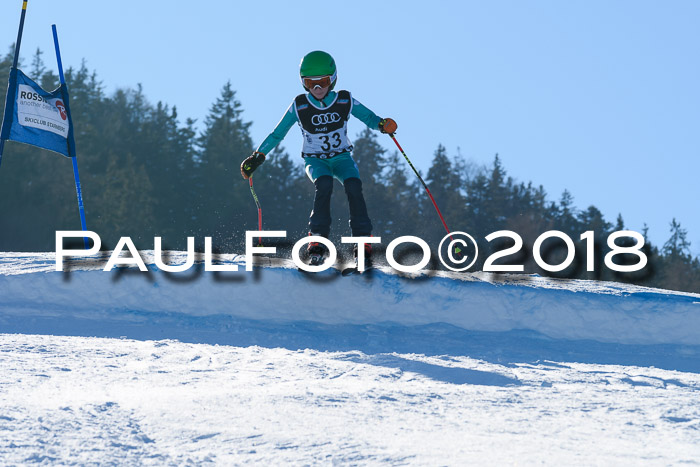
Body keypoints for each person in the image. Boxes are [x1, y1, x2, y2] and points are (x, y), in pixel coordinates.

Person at [241, 50, 397, 266]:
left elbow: (369, 118)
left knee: (353, 186)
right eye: (310, 83)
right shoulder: (300, 105)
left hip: (342, 158)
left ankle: (362, 242)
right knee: (323, 184)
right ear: (303, 83)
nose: (317, 89)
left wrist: (382, 124)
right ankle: (316, 241)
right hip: (316, 161)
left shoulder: (344, 100)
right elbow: (278, 133)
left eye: (322, 82)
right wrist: (258, 156)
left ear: (332, 80)